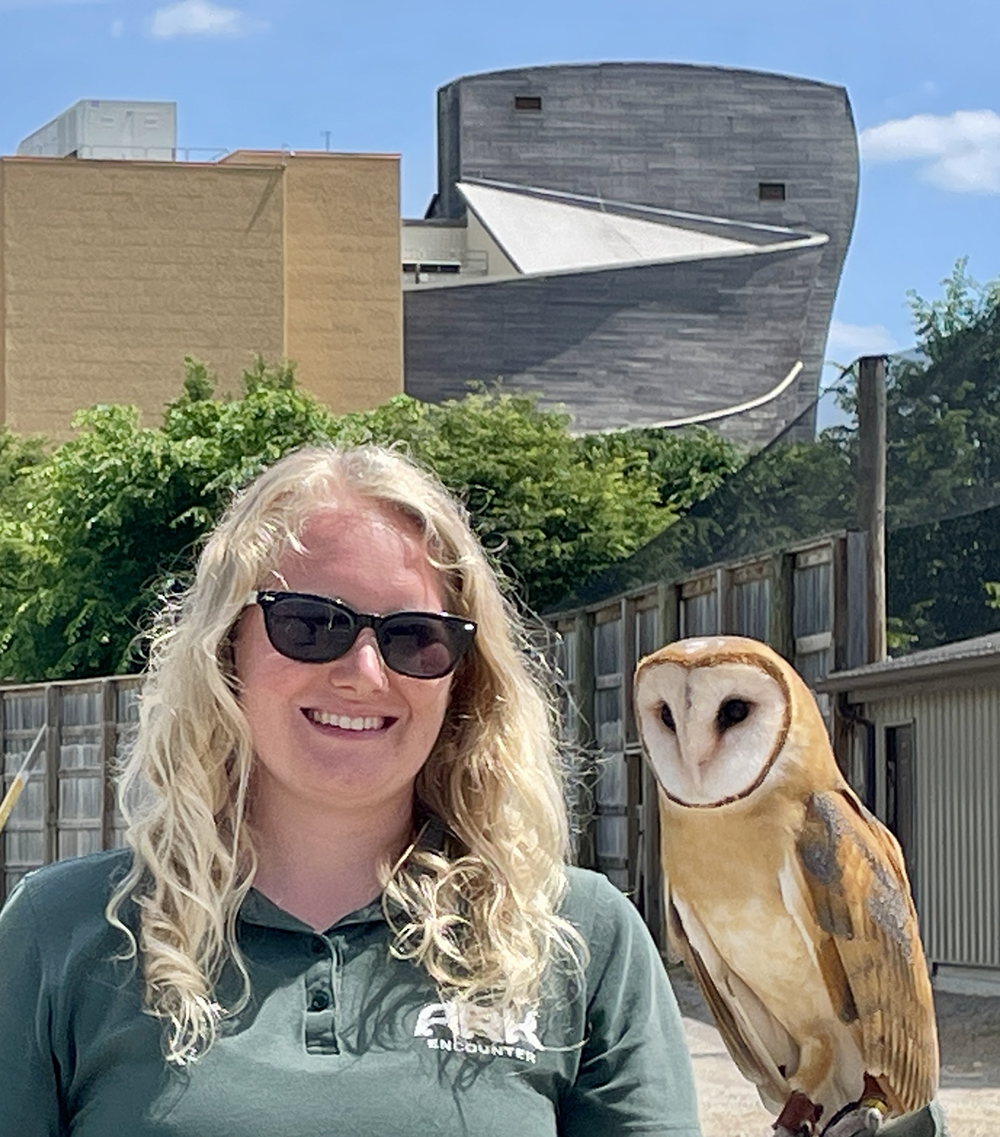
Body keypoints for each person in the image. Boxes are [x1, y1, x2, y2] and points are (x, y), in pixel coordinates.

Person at [0, 445, 703, 1137]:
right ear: (225, 648)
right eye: (309, 624)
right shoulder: (60, 933)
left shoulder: (579, 936)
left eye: (416, 637)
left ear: (463, 680)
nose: (364, 673)